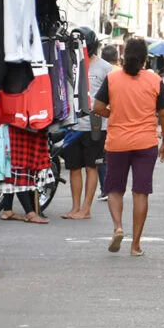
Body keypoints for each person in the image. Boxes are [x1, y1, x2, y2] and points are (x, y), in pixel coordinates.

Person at [92, 38, 164, 257]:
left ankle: (118, 227)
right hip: (145, 143)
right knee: (140, 192)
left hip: (117, 142)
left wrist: (113, 113)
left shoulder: (112, 78)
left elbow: (98, 107)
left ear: (123, 55)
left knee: (114, 188)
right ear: (146, 58)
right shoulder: (154, 80)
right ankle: (135, 245)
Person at [61, 27, 113, 219]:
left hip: (95, 125)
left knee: (92, 167)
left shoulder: (105, 68)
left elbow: (111, 98)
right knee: (74, 167)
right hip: (72, 124)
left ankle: (86, 208)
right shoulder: (69, 63)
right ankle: (75, 208)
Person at [96, 45, 120, 201]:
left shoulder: (98, 69)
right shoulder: (121, 72)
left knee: (100, 156)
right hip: (117, 119)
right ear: (117, 57)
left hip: (100, 118)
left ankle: (105, 187)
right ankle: (113, 186)